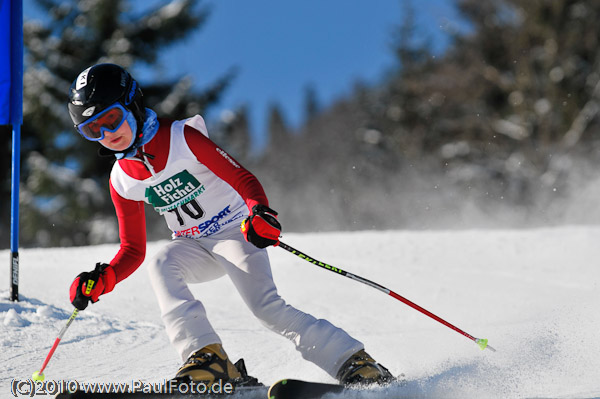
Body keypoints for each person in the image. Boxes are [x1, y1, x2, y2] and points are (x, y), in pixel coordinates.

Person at [67, 63, 393, 387]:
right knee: (162, 263)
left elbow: (242, 177)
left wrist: (259, 213)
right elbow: (133, 249)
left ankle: (354, 362)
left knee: (267, 308)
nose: (108, 135)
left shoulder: (182, 138)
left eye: (111, 118)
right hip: (193, 246)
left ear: (133, 104)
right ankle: (207, 359)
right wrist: (104, 278)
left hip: (234, 232)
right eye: (92, 130)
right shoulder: (121, 178)